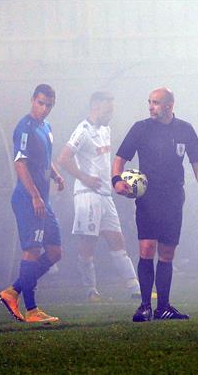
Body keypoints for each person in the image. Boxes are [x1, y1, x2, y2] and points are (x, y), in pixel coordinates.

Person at [112, 87, 198, 321]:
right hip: (148, 198)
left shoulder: (185, 130)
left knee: (167, 252)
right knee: (147, 248)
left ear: (169, 105)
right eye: (149, 102)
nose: (150, 106)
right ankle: (145, 306)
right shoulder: (141, 128)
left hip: (174, 198)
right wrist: (117, 181)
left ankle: (164, 307)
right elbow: (119, 159)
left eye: (155, 102)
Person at [57, 91, 141, 302]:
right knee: (88, 243)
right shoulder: (82, 130)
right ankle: (90, 290)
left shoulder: (106, 129)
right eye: (108, 110)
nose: (111, 114)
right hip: (88, 194)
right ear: (96, 107)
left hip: (105, 194)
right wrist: (83, 177)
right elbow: (63, 158)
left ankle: (135, 288)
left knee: (117, 240)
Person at [0, 84, 65, 323]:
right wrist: (36, 195)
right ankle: (32, 310)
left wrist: (56, 175)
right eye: (40, 103)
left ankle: (12, 291)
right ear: (32, 101)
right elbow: (21, 163)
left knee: (55, 252)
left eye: (48, 105)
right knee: (32, 251)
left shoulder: (45, 127)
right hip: (29, 199)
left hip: (42, 200)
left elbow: (44, 159)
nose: (44, 108)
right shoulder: (24, 127)